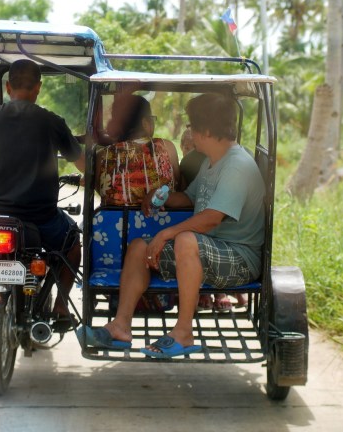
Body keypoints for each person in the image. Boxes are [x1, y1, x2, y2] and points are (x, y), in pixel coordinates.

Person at [77, 93, 265, 357]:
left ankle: (184, 333)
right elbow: (189, 198)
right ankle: (120, 327)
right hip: (211, 251)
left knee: (185, 239)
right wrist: (158, 194)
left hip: (239, 257)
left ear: (207, 130)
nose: (189, 132)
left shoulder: (236, 165)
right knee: (140, 247)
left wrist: (167, 233)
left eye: (192, 126)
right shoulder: (214, 161)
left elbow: (211, 218)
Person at [0, 59, 85, 324]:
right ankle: (61, 308)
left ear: (7, 87)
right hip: (42, 218)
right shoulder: (53, 122)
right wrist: (88, 178)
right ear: (38, 88)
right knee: (73, 246)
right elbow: (83, 163)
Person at [178, 128, 247, 312]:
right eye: (187, 147)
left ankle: (213, 293)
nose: (192, 149)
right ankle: (217, 293)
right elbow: (187, 194)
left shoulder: (230, 164)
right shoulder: (194, 163)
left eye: (193, 145)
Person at [95, 94, 179, 207]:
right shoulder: (166, 148)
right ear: (145, 123)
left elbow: (101, 192)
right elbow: (178, 185)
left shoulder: (103, 156)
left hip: (115, 222)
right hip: (163, 221)